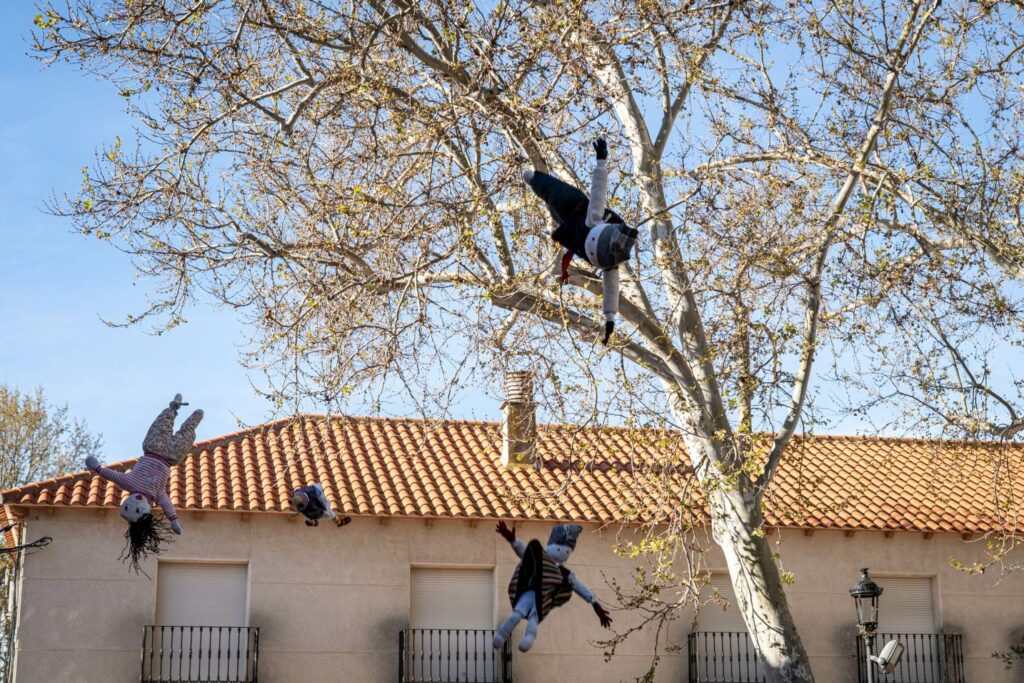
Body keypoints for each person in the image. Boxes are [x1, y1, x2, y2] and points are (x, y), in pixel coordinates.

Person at [522, 137, 638, 343]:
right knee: (551, 195)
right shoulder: (611, 265)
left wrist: (602, 161)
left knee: (552, 192)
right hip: (572, 226)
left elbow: (598, 191)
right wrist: (610, 318)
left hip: (574, 209)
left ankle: (532, 178)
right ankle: (533, 179)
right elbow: (611, 290)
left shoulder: (595, 219)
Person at [86, 394, 203, 571]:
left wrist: (97, 469)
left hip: (152, 448)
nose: (136, 501)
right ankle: (194, 418)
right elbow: (166, 503)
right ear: (146, 511)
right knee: (185, 435)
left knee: (162, 423)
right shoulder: (157, 494)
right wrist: (173, 520)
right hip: (170, 456)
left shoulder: (129, 483)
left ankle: (173, 407)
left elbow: (112, 476)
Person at [492, 521, 612, 652]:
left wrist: (595, 604)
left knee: (531, 619)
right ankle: (501, 636)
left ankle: (525, 640)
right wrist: (513, 540)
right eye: (561, 549)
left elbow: (579, 587)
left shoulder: (564, 574)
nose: (563, 553)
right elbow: (523, 551)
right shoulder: (539, 558)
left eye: (567, 552)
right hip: (529, 593)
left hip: (543, 599)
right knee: (518, 615)